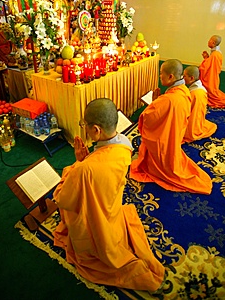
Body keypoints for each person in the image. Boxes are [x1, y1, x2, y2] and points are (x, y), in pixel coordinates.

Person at [53, 98, 165, 292]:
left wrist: (77, 164)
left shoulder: (85, 169)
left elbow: (63, 199)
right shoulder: (124, 145)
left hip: (95, 222)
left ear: (96, 130)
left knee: (67, 203)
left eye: (85, 126)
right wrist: (86, 159)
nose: (84, 129)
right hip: (112, 205)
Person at [129, 59, 212, 195]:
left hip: (164, 142)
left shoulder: (168, 99)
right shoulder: (184, 90)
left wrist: (154, 104)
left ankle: (158, 164)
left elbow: (147, 118)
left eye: (161, 73)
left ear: (171, 76)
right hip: (175, 135)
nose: (159, 76)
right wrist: (158, 103)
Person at [183, 65, 217, 143]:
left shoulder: (195, 93)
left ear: (191, 78)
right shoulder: (201, 89)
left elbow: (185, 110)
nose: (183, 78)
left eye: (184, 76)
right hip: (198, 119)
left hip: (191, 125)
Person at [199, 35, 225, 108]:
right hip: (212, 76)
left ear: (213, 43)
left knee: (213, 93)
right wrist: (207, 58)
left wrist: (205, 59)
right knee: (213, 93)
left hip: (211, 77)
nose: (208, 42)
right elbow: (211, 65)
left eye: (209, 40)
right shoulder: (215, 53)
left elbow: (207, 67)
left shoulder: (215, 54)